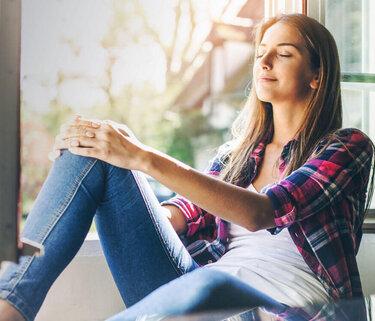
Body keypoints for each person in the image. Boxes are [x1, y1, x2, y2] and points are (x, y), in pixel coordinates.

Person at [0, 13, 374, 321]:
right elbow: (185, 215)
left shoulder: (346, 147)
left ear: (317, 74)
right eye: (261, 52)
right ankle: (9, 308)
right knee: (94, 149)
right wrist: (126, 188)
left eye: (285, 53)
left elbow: (262, 212)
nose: (264, 61)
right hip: (200, 293)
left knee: (207, 287)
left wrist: (142, 156)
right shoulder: (236, 157)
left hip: (283, 309)